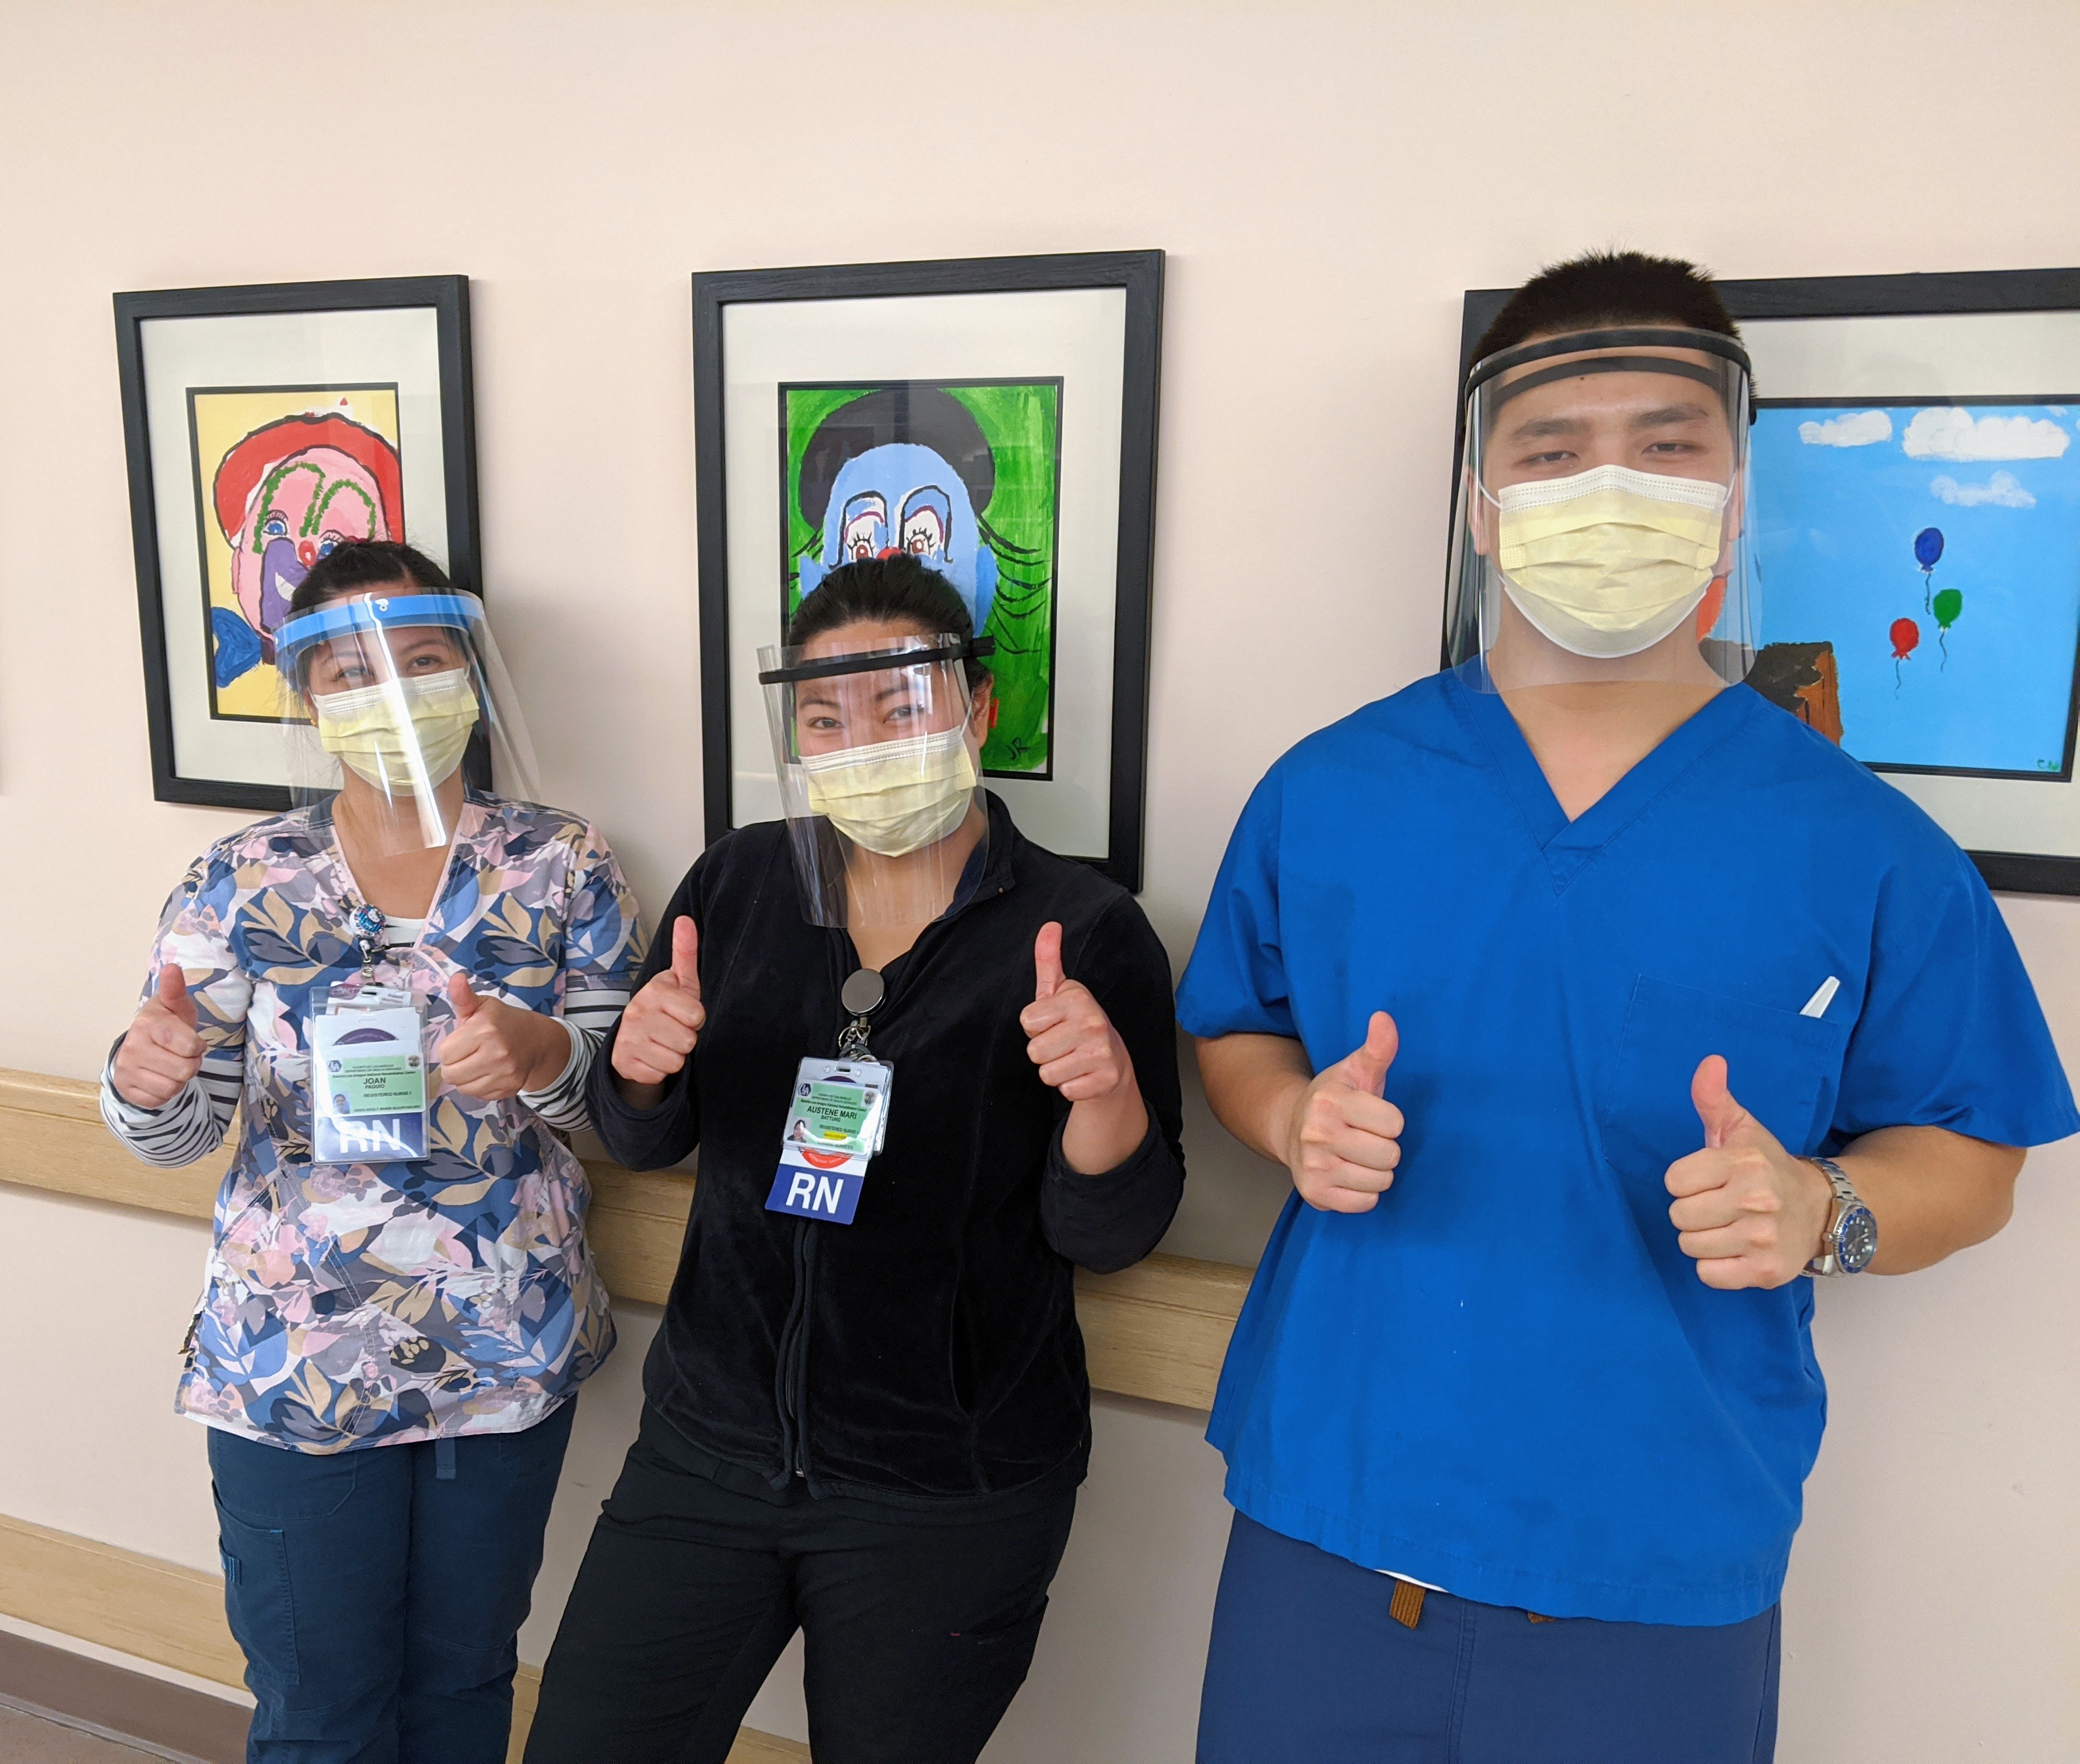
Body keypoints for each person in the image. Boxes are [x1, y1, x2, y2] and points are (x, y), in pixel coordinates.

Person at [1178, 251, 2077, 1762]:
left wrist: (1823, 1208)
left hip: (1654, 1587)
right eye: (1551, 449)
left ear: (1735, 488)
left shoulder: (1857, 843)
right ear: (1481, 501)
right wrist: (1286, 1116)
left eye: (1666, 445)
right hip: (1327, 1539)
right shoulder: (1327, 792)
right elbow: (1236, 1024)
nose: (1611, 487)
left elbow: (1975, 1160)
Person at [521, 554, 1186, 1764]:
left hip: (948, 1484)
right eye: (825, 717)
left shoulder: (1082, 930)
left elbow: (1110, 1233)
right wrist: (640, 1065)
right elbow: (644, 1137)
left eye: (901, 705)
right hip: (707, 1444)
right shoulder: (740, 884)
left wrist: (1107, 1097)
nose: (863, 741)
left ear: (977, 710)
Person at [100, 539, 643, 1763]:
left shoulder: (562, 865)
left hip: (500, 1351)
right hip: (296, 1364)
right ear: (306, 696)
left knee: (463, 1691)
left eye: (425, 659)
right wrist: (147, 1082)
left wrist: (543, 1053)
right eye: (353, 670)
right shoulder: (240, 882)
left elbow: (624, 1112)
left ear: (471, 674)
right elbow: (180, 1129)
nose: (395, 693)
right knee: (321, 1715)